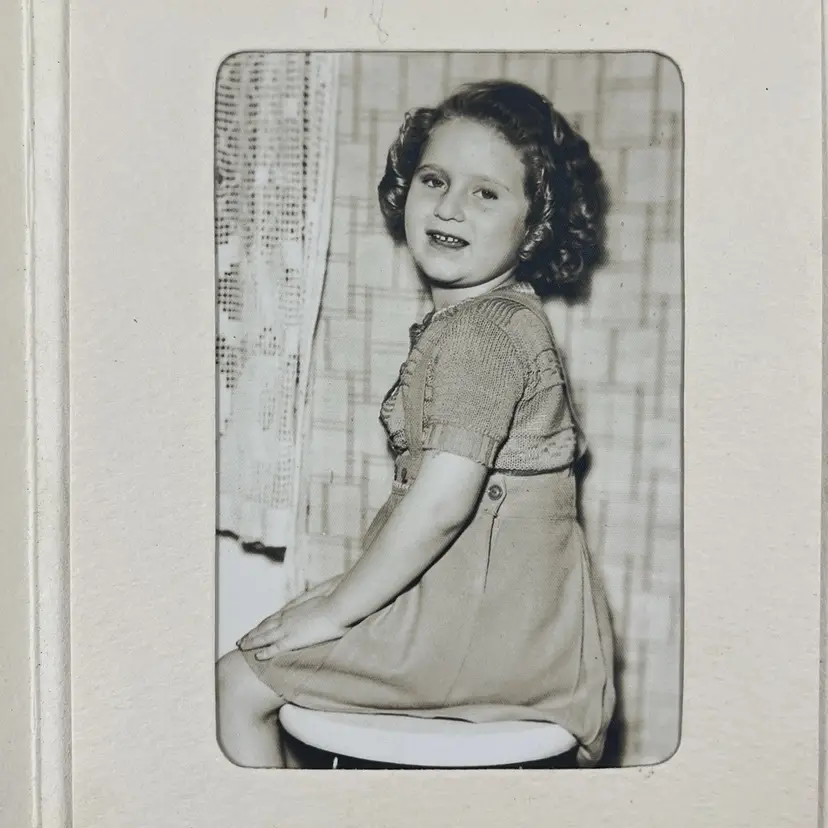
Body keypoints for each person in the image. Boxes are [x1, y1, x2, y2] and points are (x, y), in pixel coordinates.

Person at [217, 79, 616, 769]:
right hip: (526, 631)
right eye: (435, 179)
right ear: (407, 191)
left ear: (537, 223)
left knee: (235, 684)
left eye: (486, 193)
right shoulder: (494, 318)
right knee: (294, 624)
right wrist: (339, 598)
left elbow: (439, 506)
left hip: (482, 636)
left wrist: (338, 611)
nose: (450, 206)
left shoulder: (481, 336)